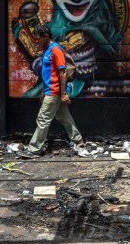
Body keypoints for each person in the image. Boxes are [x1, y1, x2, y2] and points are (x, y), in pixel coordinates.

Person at [17, 24, 83, 158]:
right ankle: (78, 140)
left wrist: (64, 93)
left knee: (43, 119)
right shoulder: (46, 49)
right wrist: (43, 90)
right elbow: (47, 73)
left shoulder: (56, 50)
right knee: (64, 116)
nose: (37, 41)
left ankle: (35, 149)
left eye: (39, 38)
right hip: (50, 90)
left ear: (46, 36)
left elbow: (62, 72)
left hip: (55, 91)